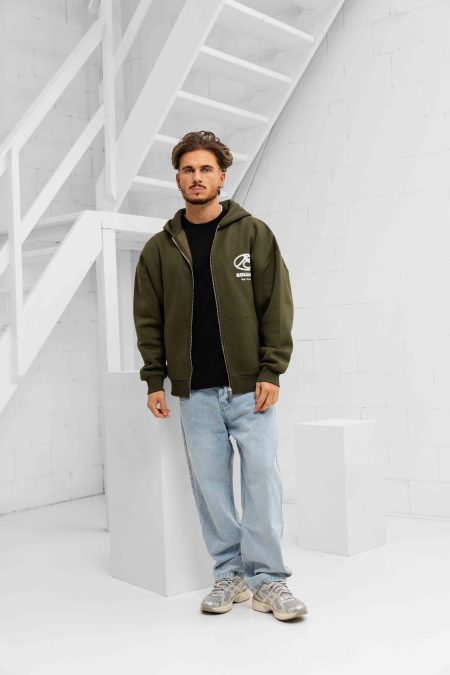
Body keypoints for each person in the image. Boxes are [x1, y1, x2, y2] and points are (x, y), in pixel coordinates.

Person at [133, 130, 308, 622]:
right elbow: (147, 318)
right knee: (210, 487)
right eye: (188, 169)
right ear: (177, 179)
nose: (197, 177)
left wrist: (271, 369)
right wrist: (154, 379)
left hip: (250, 387)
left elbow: (276, 306)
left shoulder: (253, 233)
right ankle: (229, 573)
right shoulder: (159, 249)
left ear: (222, 177)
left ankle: (268, 580)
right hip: (194, 392)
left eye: (205, 169)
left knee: (262, 481)